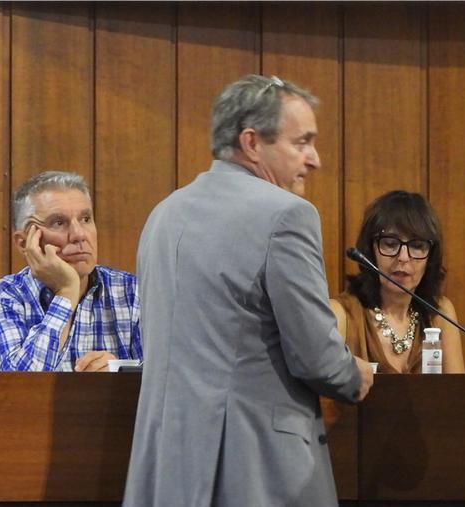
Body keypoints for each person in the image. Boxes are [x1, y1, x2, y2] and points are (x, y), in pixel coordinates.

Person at [123, 75, 374, 507]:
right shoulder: (287, 215)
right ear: (252, 143)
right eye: (302, 142)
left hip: (166, 470)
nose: (314, 159)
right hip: (257, 470)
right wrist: (355, 374)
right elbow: (316, 357)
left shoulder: (162, 215)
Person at [0, 171, 142, 372]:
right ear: (24, 243)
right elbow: (20, 386)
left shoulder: (133, 292)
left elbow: (167, 381)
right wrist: (66, 291)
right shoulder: (3, 298)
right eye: (59, 223)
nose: (79, 234)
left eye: (86, 219)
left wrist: (120, 371)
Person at [331, 190, 465, 373]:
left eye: (417, 246)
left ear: (430, 256)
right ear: (370, 250)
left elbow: (456, 398)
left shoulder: (439, 313)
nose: (403, 257)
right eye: (390, 244)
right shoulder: (341, 314)